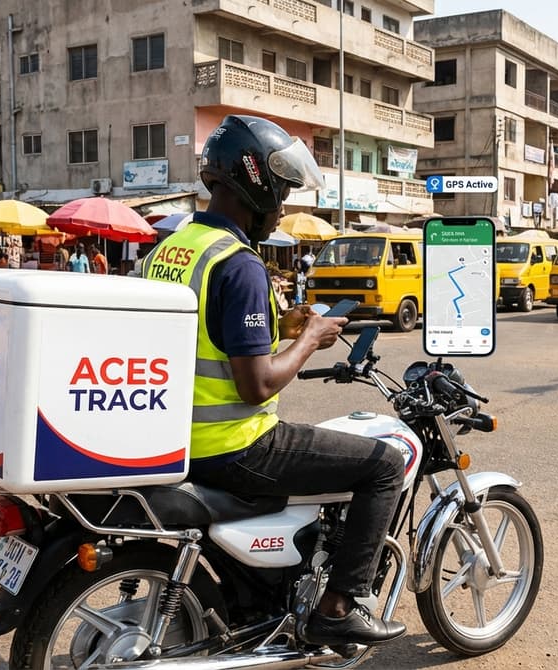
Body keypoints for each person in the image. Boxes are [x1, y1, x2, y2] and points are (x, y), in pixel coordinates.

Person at [144, 115, 406, 647]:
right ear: (256, 185)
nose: (283, 207)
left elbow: (201, 329)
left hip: (172, 440)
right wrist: (307, 340)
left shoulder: (173, 249)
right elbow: (257, 386)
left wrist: (282, 326)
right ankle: (338, 608)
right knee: (384, 465)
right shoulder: (239, 265)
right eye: (282, 192)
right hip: (234, 445)